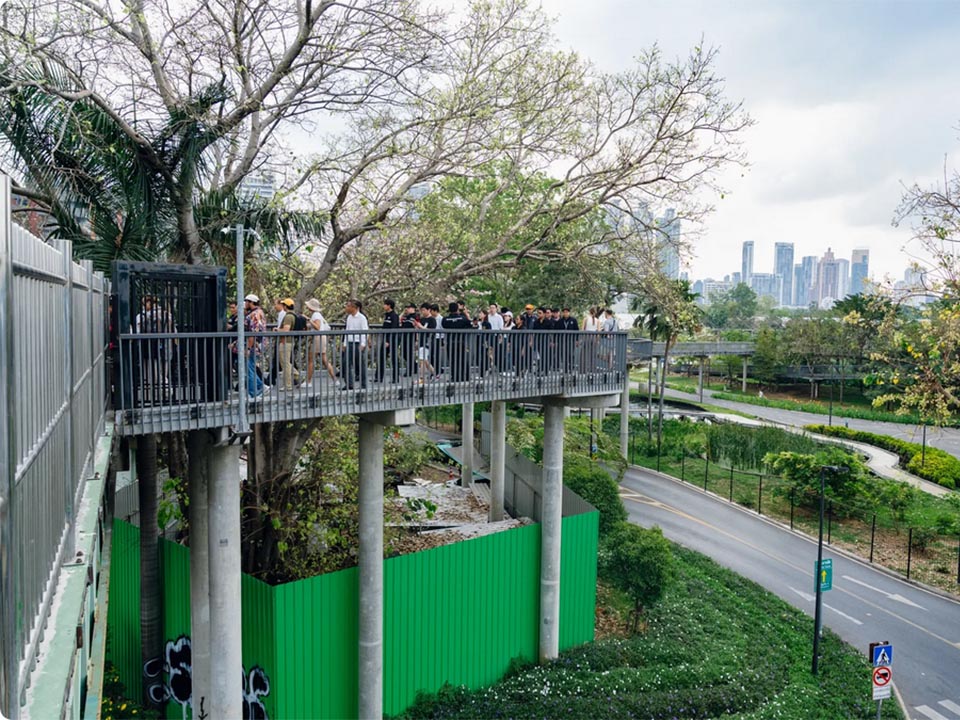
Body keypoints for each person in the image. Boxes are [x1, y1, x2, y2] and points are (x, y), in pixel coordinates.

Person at [441, 300, 472, 383]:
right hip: (460, 341)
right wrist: (466, 315)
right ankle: (465, 376)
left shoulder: (445, 319)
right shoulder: (463, 318)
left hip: (450, 342)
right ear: (457, 309)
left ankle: (455, 377)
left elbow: (444, 326)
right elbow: (470, 325)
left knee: (452, 360)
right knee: (462, 359)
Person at [305, 298, 335, 383]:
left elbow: (317, 327)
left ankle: (308, 381)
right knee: (324, 360)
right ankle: (334, 379)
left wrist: (308, 320)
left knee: (311, 359)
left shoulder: (315, 315)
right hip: (322, 337)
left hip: (318, 338)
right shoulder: (317, 315)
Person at [342, 298, 369, 389]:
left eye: (349, 306)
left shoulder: (362, 318)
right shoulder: (349, 317)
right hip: (349, 342)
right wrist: (345, 343)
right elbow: (347, 330)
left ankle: (363, 384)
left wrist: (363, 344)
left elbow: (365, 331)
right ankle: (349, 384)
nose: (347, 308)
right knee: (346, 363)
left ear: (355, 308)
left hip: (358, 343)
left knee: (360, 364)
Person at [243, 294, 266, 398]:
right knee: (251, 366)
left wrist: (248, 347)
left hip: (253, 344)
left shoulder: (254, 315)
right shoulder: (259, 312)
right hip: (257, 344)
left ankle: (254, 393)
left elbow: (253, 331)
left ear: (250, 302)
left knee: (249, 368)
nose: (245, 304)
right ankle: (261, 386)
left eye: (246, 301)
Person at [378, 298, 401, 383]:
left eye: (385, 304)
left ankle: (395, 378)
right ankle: (379, 377)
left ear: (389, 306)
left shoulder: (394, 316)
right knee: (381, 358)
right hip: (385, 340)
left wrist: (388, 341)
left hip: (392, 340)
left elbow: (394, 328)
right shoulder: (386, 315)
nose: (383, 306)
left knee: (394, 359)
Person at [277, 298, 298, 390]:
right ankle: (297, 375)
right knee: (286, 362)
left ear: (286, 306)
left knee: (285, 363)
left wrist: (277, 330)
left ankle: (288, 385)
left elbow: (286, 330)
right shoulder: (292, 315)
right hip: (288, 342)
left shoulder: (288, 317)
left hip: (286, 342)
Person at [413, 303, 436, 383]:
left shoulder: (432, 320)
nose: (422, 312)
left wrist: (421, 327)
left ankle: (422, 378)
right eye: (421, 310)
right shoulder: (422, 319)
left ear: (428, 310)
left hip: (428, 341)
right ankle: (435, 373)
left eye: (424, 310)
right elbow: (419, 330)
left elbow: (432, 331)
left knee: (422, 360)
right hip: (421, 341)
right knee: (424, 360)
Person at [399, 303, 418, 377]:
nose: (407, 309)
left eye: (409, 307)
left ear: (413, 308)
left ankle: (409, 371)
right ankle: (414, 365)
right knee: (403, 353)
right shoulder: (405, 317)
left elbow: (417, 327)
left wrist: (417, 339)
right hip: (404, 337)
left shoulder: (416, 316)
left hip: (411, 338)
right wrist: (403, 313)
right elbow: (399, 320)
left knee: (409, 354)